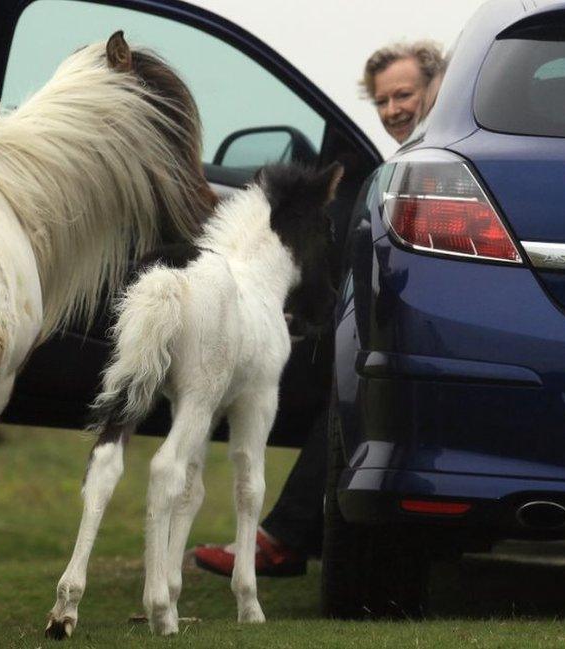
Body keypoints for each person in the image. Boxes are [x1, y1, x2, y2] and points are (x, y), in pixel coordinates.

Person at [193, 40, 446, 579]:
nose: (393, 109)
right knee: (337, 381)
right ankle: (283, 536)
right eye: (382, 101)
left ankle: (282, 539)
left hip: (437, 331)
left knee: (350, 389)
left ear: (437, 88)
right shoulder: (401, 161)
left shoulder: (442, 160)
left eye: (404, 94)